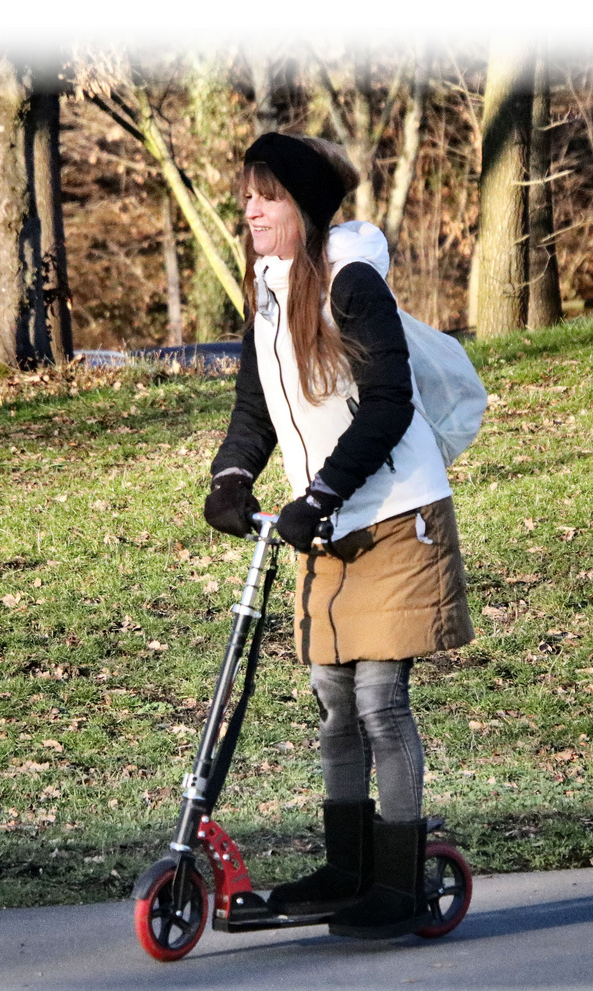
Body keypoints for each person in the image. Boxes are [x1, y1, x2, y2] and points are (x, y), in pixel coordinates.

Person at [203, 131, 474, 939]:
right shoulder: (268, 286)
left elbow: (390, 404)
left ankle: (393, 883)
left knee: (380, 703)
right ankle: (346, 869)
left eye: (268, 194)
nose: (250, 207)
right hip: (326, 523)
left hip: (395, 516)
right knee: (332, 702)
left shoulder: (352, 283)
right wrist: (230, 477)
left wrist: (321, 491)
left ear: (306, 208)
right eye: (247, 192)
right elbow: (258, 407)